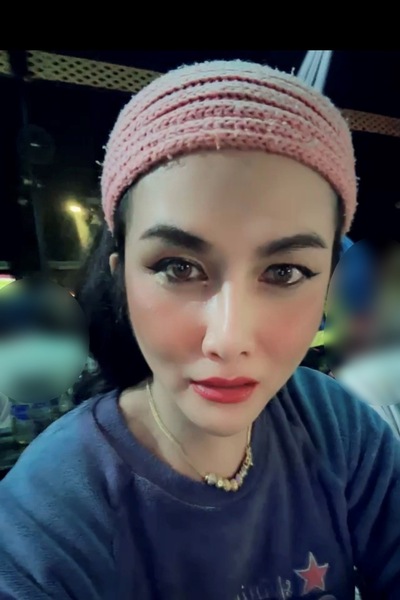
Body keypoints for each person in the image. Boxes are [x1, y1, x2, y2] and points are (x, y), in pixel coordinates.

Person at [0, 59, 399, 600]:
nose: (228, 339)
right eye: (178, 267)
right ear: (122, 279)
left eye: (285, 272)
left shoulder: (336, 426)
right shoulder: (49, 516)